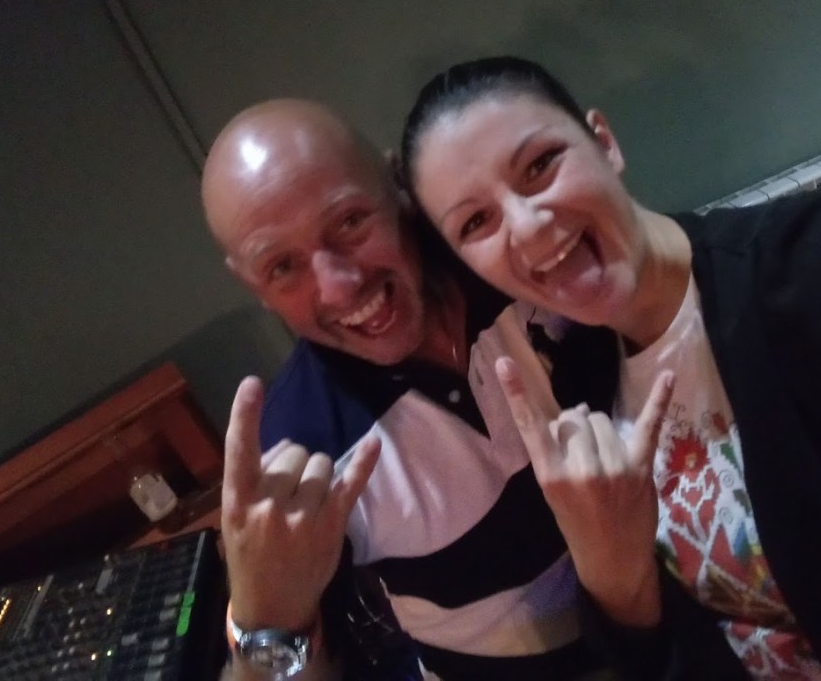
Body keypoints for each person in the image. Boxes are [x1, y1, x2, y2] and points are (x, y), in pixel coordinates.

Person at [397, 55, 821, 680]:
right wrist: (610, 571)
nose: (527, 229)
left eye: (540, 165)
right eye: (476, 221)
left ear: (604, 143)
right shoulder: (581, 387)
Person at [201, 99, 656, 679]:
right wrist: (267, 616)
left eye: (349, 222)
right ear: (253, 286)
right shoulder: (303, 445)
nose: (339, 287)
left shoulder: (517, 259)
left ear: (400, 185)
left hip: (673, 607)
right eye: (282, 267)